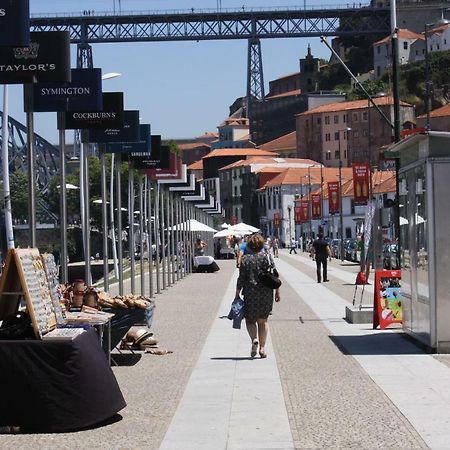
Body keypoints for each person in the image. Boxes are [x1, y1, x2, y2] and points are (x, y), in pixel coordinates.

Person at [235, 233, 281, 359]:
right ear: (262, 245)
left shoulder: (245, 260)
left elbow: (241, 279)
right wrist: (277, 291)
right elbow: (274, 275)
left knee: (250, 320)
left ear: (249, 246)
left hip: (250, 293)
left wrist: (237, 294)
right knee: (263, 321)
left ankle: (254, 339)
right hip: (266, 293)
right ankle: (262, 348)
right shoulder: (267, 257)